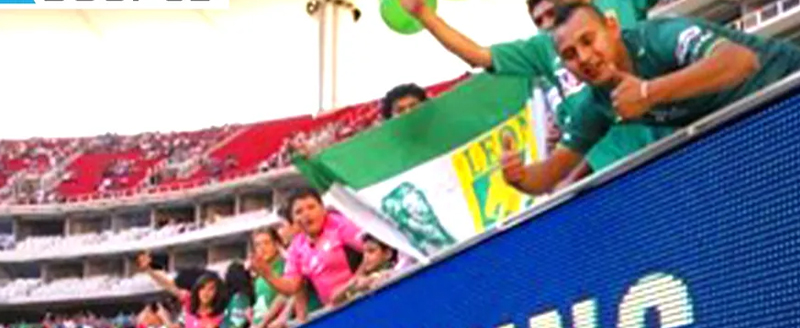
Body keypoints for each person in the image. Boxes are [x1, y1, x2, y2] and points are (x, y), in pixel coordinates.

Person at [502, 3, 800, 194]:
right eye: (569, 55)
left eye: (588, 41)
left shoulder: (659, 36)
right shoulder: (595, 104)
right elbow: (551, 173)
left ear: (612, 27)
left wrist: (649, 92)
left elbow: (741, 62)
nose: (584, 58)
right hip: (753, 132)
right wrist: (518, 176)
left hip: (788, 87)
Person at [399, 0, 667, 187]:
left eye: (551, 13)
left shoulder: (616, 5)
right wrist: (425, 15)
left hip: (674, 143)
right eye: (538, 21)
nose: (546, 24)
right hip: (616, 176)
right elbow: (478, 56)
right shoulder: (543, 48)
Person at [257, 188, 365, 309]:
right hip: (334, 310)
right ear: (293, 220)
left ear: (323, 209)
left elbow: (374, 251)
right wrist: (268, 275)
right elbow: (292, 286)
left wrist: (349, 286)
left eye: (311, 207)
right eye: (298, 212)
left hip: (363, 298)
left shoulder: (339, 224)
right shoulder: (297, 247)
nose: (306, 214)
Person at [137, 253, 226, 328]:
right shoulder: (189, 303)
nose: (206, 293)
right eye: (202, 288)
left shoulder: (220, 315)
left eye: (211, 289)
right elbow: (168, 285)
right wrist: (149, 270)